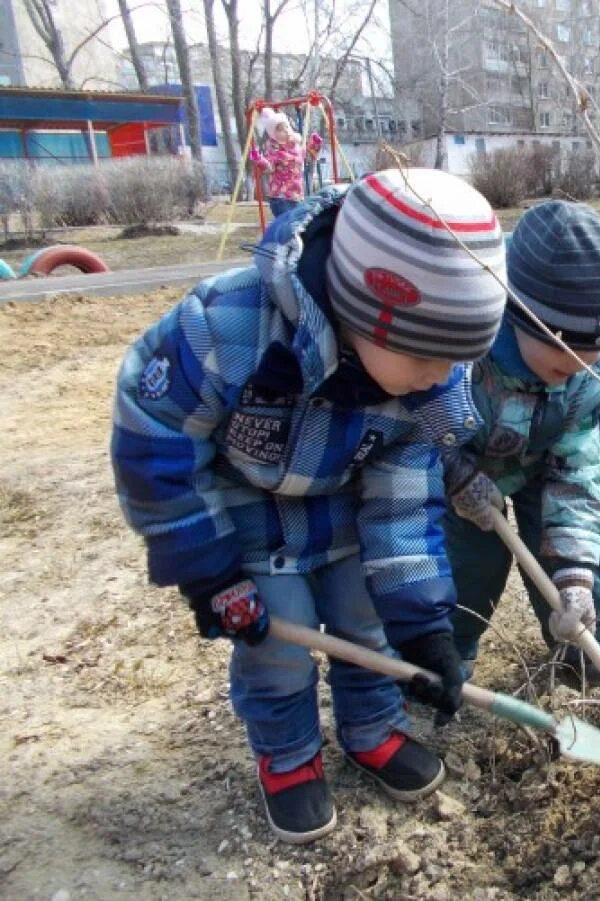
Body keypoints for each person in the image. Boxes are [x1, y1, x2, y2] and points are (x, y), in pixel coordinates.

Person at [110, 168, 507, 845]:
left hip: (343, 504)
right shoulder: (225, 329)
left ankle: (372, 728)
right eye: (428, 358)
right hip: (244, 508)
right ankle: (288, 756)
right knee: (279, 643)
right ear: (364, 311)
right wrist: (207, 568)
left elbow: (401, 506)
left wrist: (423, 627)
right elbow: (155, 434)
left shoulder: (421, 388)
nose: (441, 378)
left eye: (456, 361)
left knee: (366, 619)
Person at [441, 200, 600, 684]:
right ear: (517, 316)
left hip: (540, 463)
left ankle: (587, 647)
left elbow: (576, 475)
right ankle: (442, 660)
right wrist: (451, 472)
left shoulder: (587, 378)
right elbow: (410, 426)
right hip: (456, 469)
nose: (574, 372)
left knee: (573, 567)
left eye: (590, 360)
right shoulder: (461, 354)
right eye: (562, 361)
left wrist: (575, 574)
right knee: (468, 569)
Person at [250, 107, 322, 218]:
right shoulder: (275, 150)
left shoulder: (297, 148)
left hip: (296, 196)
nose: (286, 131)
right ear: (273, 135)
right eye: (280, 130)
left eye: (287, 127)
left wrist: (315, 144)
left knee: (297, 226)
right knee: (289, 226)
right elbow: (269, 168)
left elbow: (309, 157)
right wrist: (258, 160)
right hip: (280, 197)